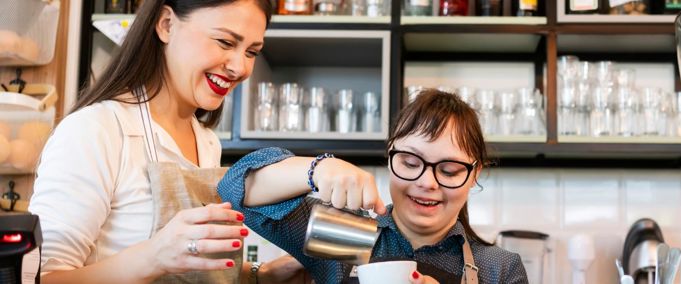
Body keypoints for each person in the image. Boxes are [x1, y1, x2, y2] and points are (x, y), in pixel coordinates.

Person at [29, 0, 307, 283]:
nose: (240, 67)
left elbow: (192, 268)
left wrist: (262, 275)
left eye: (251, 52)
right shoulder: (95, 130)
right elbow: (40, 278)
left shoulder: (206, 141)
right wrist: (153, 257)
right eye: (225, 42)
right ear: (166, 25)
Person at [218, 89, 529, 283]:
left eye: (449, 170)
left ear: (474, 174)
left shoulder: (499, 269)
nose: (427, 182)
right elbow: (232, 187)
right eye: (410, 162)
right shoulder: (344, 236)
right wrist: (316, 169)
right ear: (389, 156)